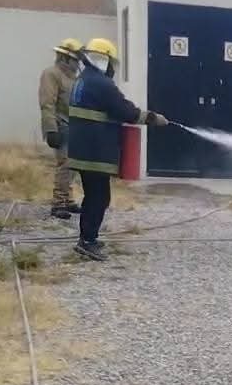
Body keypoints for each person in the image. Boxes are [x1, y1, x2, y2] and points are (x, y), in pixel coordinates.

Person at [67, 37, 168, 261]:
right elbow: (125, 110)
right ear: (103, 59)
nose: (112, 68)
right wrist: (152, 118)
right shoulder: (101, 83)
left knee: (93, 195)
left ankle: (87, 237)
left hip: (83, 148)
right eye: (111, 62)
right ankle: (87, 241)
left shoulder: (83, 79)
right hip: (94, 150)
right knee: (99, 197)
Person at [38, 38, 83, 219]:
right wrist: (51, 129)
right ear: (65, 58)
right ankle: (58, 203)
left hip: (74, 126)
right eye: (75, 60)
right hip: (60, 126)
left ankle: (68, 199)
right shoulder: (51, 74)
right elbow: (47, 103)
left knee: (72, 166)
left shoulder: (74, 77)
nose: (78, 63)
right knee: (65, 164)